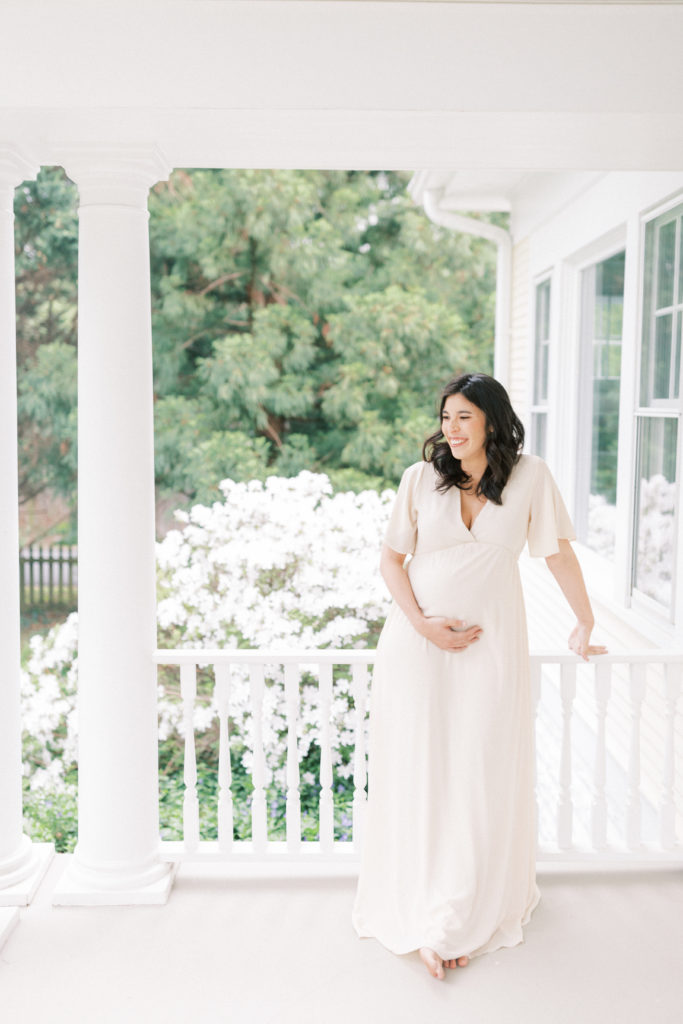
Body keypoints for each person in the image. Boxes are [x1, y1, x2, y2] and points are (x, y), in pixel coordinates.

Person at [351, 372, 606, 981]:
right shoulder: (420, 479)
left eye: (464, 416)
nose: (452, 428)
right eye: (445, 417)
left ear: (491, 419)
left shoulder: (530, 476)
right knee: (423, 769)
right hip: (417, 649)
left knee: (479, 769)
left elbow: (557, 554)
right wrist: (423, 626)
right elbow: (391, 560)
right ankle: (429, 907)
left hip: (491, 651)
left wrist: (585, 619)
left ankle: (461, 911)